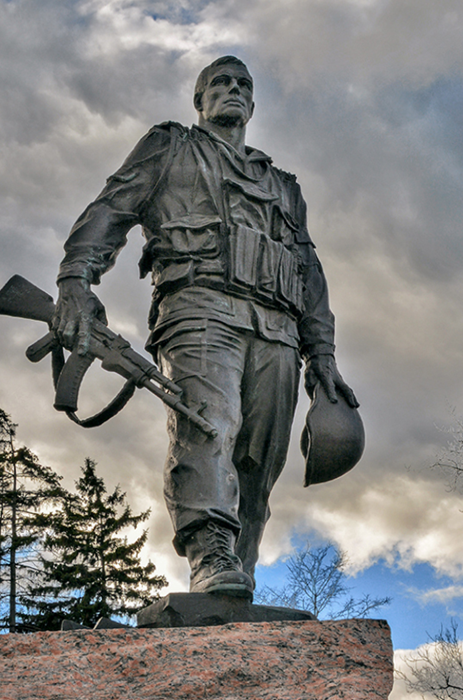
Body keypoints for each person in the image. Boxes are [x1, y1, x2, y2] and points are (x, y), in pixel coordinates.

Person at [52, 56, 358, 598]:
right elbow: (111, 208)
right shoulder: (170, 147)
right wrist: (77, 277)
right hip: (200, 308)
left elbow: (309, 272)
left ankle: (235, 577)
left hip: (278, 330)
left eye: (243, 84)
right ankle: (209, 554)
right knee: (209, 424)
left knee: (260, 462)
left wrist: (324, 357)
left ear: (254, 104)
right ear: (200, 100)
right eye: (220, 83)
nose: (233, 90)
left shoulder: (284, 186)